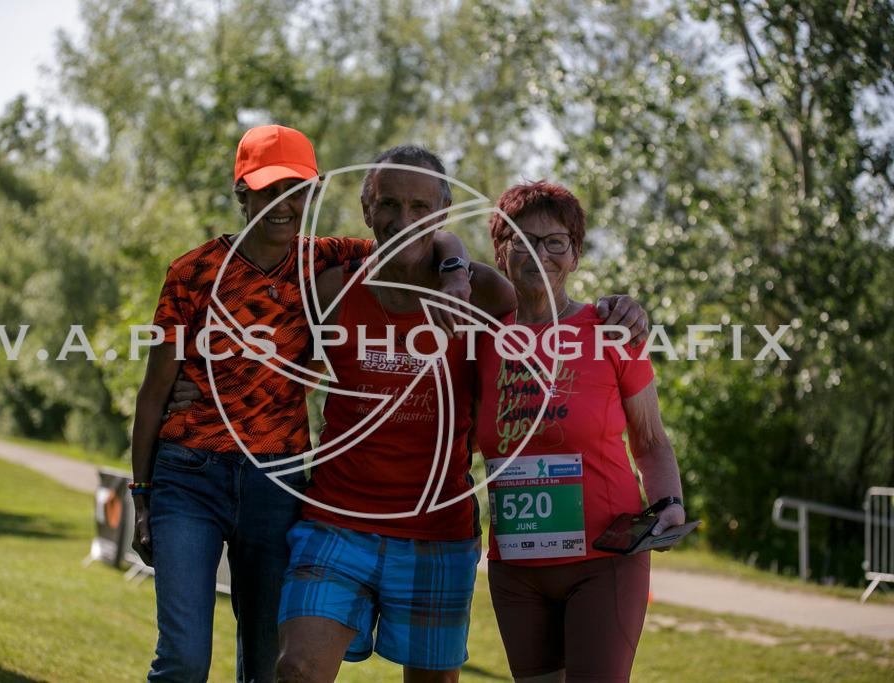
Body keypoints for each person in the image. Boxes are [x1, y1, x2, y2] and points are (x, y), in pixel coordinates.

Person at [272, 150, 649, 682]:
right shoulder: (332, 290)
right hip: (337, 520)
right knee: (298, 667)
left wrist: (620, 311)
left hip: (437, 532)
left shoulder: (484, 295)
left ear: (445, 212)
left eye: (421, 207)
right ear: (365, 208)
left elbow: (551, 315)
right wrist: (193, 390)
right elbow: (280, 370)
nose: (404, 222)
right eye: (388, 204)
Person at [131, 125, 473, 682]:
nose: (283, 205)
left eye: (297, 191)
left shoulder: (323, 262)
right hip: (189, 474)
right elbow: (151, 398)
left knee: (265, 666)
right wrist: (141, 497)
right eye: (267, 190)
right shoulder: (191, 274)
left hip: (277, 479)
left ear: (313, 195)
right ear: (242, 192)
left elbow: (421, 237)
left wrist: (456, 262)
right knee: (183, 660)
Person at [475, 181, 684, 682]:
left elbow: (650, 440)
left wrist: (669, 504)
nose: (539, 253)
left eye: (555, 241)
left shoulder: (613, 330)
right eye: (522, 240)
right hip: (516, 568)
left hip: (604, 561)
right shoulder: (481, 343)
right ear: (501, 253)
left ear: (575, 253)